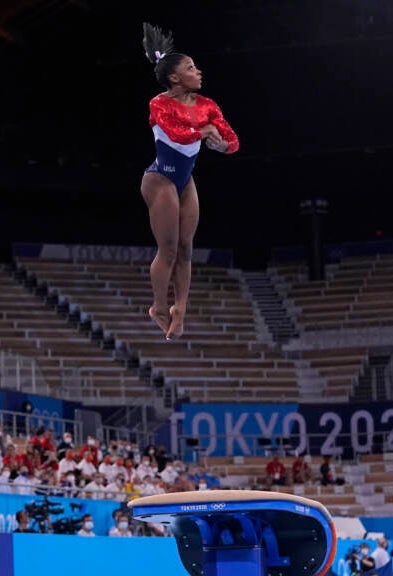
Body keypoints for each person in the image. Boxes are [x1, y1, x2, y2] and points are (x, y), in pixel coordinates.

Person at [140, 22, 239, 340]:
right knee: (167, 249)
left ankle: (179, 309)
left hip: (184, 182)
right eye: (190, 67)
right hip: (159, 180)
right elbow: (175, 134)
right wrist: (204, 133)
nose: (198, 71)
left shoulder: (209, 106)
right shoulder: (159, 103)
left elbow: (232, 140)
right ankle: (158, 305)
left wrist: (223, 144)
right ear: (174, 77)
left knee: (186, 249)